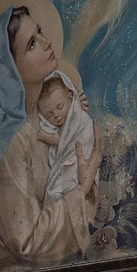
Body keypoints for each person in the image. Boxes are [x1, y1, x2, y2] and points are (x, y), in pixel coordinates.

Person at [0, 5, 102, 272]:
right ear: (9, 70)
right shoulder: (8, 142)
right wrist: (83, 187)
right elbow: (29, 242)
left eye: (40, 32)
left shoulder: (48, 116)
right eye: (32, 44)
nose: (46, 42)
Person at [36, 71, 99, 209]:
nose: (56, 116)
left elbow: (61, 139)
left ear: (71, 97)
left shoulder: (77, 119)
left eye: (60, 107)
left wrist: (44, 136)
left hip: (78, 163)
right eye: (49, 115)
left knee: (63, 187)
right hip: (69, 161)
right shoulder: (65, 121)